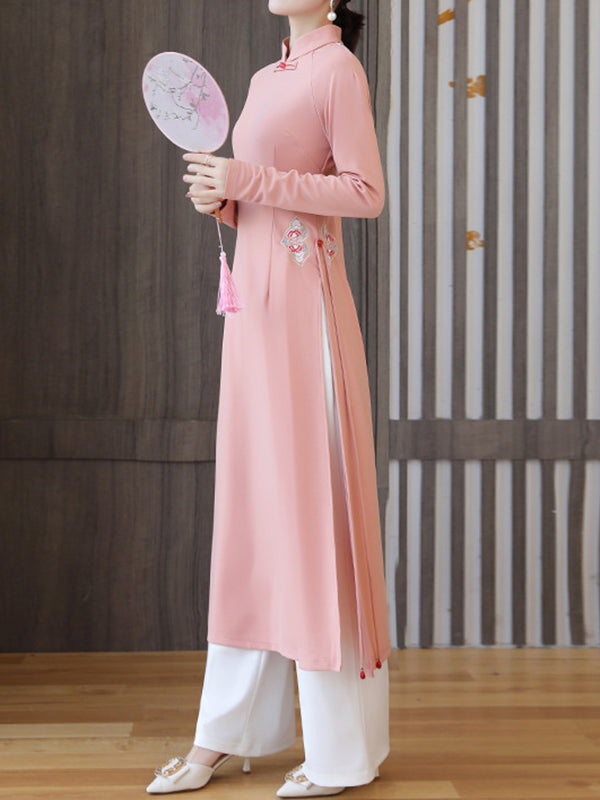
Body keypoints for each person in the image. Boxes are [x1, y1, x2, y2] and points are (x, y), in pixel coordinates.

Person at [146, 0, 391, 796]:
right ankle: (226, 732)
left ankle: (340, 751)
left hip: (305, 318)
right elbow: (264, 193)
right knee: (252, 519)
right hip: (252, 315)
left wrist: (246, 177)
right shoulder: (263, 77)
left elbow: (364, 192)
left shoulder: (337, 69)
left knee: (310, 518)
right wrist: (225, 200)